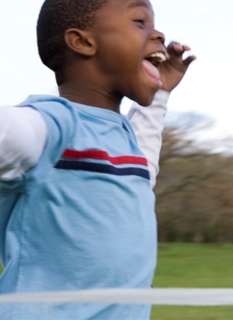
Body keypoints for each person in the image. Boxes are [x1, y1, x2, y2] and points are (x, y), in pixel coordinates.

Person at [0, 0, 195, 319]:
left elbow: (141, 172)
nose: (158, 33)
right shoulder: (50, 127)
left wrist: (160, 94)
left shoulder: (124, 142)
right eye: (139, 22)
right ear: (83, 42)